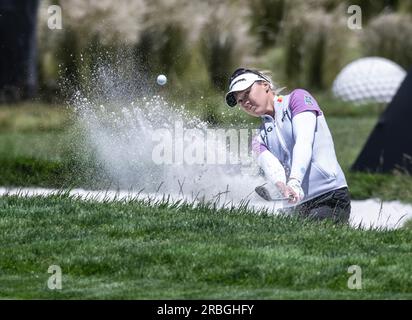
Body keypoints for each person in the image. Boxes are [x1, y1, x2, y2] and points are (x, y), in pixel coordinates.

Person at [225, 68, 351, 222]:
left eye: (247, 93)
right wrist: (282, 186)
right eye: (240, 100)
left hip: (329, 195)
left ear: (265, 85)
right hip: (297, 204)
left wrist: (295, 181)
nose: (245, 102)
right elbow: (273, 168)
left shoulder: (297, 99)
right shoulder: (258, 138)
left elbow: (304, 141)